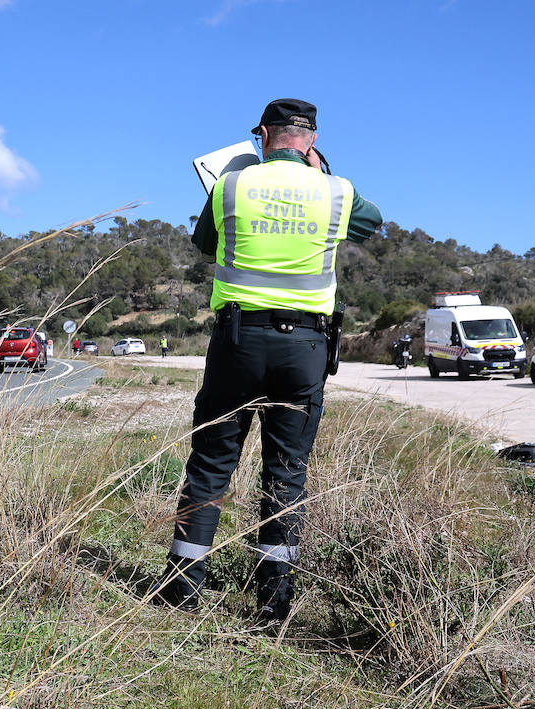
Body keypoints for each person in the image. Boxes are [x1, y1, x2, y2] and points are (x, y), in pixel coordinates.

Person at [157, 99, 382, 621]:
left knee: (212, 462)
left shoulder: (231, 185)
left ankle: (183, 588)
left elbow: (206, 244)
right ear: (312, 139)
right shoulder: (336, 190)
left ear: (262, 135)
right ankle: (273, 601)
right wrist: (320, 173)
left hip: (239, 340)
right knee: (287, 472)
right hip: (305, 346)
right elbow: (372, 222)